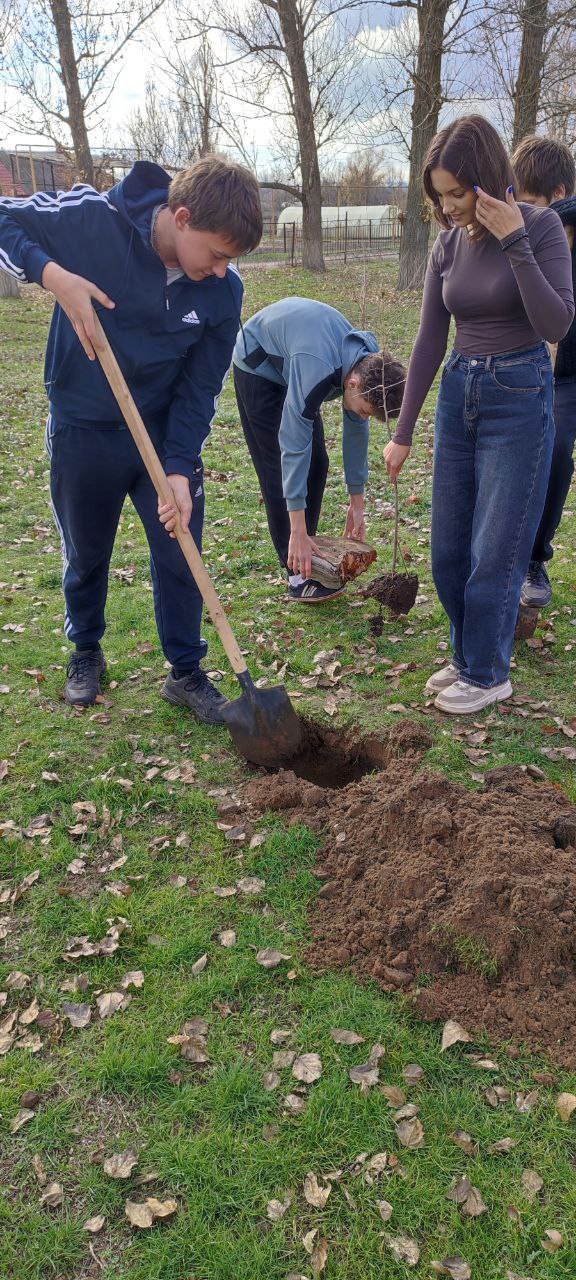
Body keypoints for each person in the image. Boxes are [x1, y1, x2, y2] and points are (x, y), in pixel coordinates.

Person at [0, 156, 262, 721]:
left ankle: (187, 672)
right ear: (182, 217)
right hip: (83, 427)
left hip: (163, 433)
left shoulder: (222, 293)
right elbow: (4, 220)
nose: (221, 271)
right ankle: (86, 649)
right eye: (217, 254)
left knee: (180, 548)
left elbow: (201, 388)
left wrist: (179, 466)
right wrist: (54, 276)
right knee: (86, 551)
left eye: (230, 262)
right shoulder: (93, 220)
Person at [383, 115, 574, 714]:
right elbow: (427, 341)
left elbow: (556, 324)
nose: (449, 207)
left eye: (457, 193)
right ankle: (468, 655)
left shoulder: (540, 228)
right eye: (439, 195)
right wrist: (404, 431)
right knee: (448, 549)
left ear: (487, 180)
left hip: (518, 394)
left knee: (497, 547)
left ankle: (489, 672)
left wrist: (515, 240)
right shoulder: (447, 243)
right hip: (458, 392)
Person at [232, 297, 406, 601]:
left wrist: (358, 503)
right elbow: (293, 445)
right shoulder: (320, 368)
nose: (364, 416)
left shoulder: (366, 363)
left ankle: (306, 550)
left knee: (318, 463)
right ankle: (298, 572)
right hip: (258, 364)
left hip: (294, 359)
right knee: (278, 468)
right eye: (366, 409)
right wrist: (296, 529)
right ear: (351, 384)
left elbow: (356, 430)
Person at [510, 134, 576, 610]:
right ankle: (534, 560)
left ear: (559, 194)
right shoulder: (533, 240)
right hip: (565, 374)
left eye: (532, 204)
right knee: (553, 453)